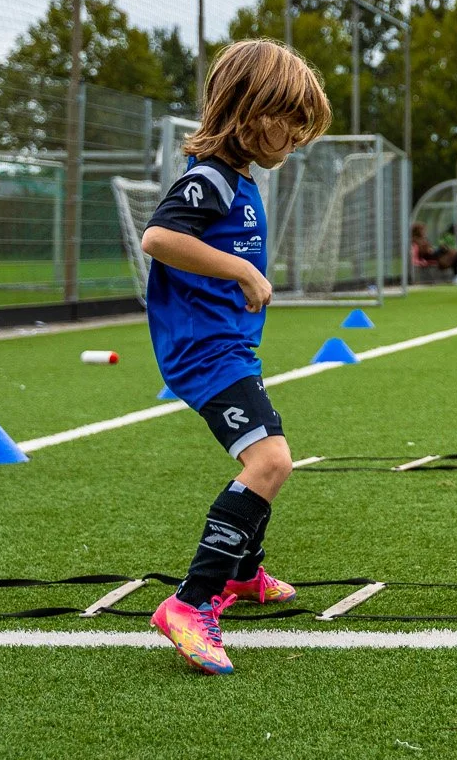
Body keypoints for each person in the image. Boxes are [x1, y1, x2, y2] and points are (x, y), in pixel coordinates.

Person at [140, 39, 331, 674]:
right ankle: (190, 604)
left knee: (267, 450)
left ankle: (244, 575)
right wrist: (241, 273)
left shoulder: (239, 178)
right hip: (205, 354)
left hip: (229, 349)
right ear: (251, 111)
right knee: (271, 461)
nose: (298, 137)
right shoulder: (210, 177)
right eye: (292, 121)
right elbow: (159, 237)